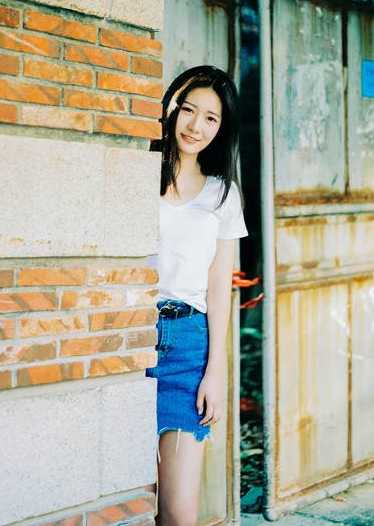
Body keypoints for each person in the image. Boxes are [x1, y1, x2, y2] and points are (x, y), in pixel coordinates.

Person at [146, 65, 248, 525]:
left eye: (211, 118)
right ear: (171, 108)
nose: (195, 126)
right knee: (127, 502)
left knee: (179, 513)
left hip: (187, 346)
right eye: (189, 110)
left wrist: (215, 372)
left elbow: (219, 287)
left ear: (222, 128)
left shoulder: (223, 194)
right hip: (131, 337)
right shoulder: (139, 176)